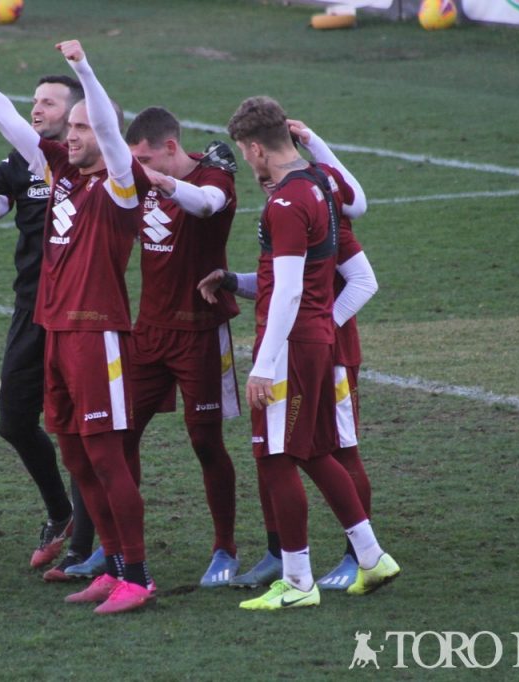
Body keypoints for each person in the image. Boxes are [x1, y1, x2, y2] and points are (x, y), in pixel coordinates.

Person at [0, 35, 155, 613]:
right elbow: (3, 117)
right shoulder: (60, 172)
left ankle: (138, 574)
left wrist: (83, 67)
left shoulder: (121, 186)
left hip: (97, 334)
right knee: (77, 458)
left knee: (105, 456)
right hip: (54, 333)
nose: (71, 135)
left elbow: (108, 128)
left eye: (82, 127)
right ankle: (109, 562)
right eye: (68, 127)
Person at [216, 96, 398, 610]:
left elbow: (289, 290)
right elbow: (355, 200)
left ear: (255, 148)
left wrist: (264, 364)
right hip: (315, 340)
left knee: (275, 458)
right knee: (315, 451)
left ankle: (298, 582)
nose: (247, 162)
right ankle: (371, 555)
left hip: (294, 345)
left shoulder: (287, 202)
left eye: (245, 153)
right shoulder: (319, 182)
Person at [122, 107, 242, 587]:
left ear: (170, 148)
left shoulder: (216, 177)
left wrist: (159, 182)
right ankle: (119, 549)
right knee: (119, 436)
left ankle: (225, 549)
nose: (141, 168)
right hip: (148, 331)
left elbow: (208, 203)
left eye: (148, 158)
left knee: (205, 440)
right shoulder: (147, 175)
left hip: (200, 332)